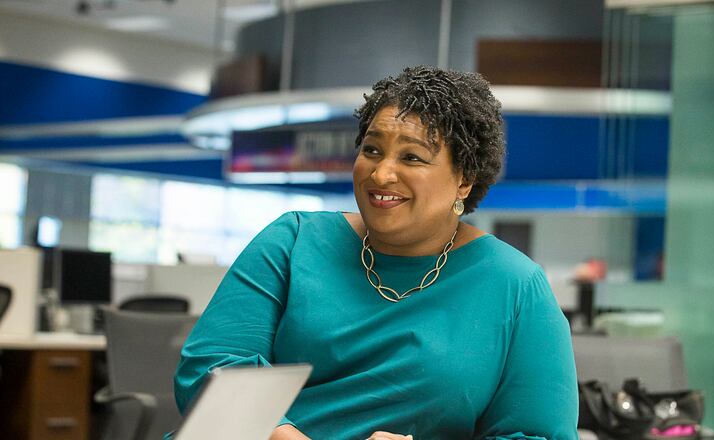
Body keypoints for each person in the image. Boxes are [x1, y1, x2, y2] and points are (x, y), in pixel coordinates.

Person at [173, 66, 579, 440]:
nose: (381, 174)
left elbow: (537, 435)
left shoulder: (516, 286)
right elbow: (213, 364)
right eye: (371, 150)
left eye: (412, 157)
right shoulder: (293, 241)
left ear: (464, 181)